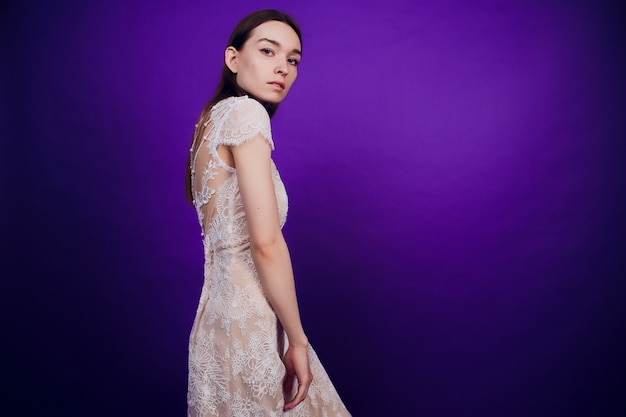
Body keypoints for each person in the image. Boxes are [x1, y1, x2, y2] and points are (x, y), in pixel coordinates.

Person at [184, 9, 351, 417]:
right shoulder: (245, 113)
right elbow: (265, 241)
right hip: (251, 321)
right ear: (234, 59)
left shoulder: (209, 120)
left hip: (214, 324)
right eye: (267, 50)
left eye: (293, 60)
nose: (283, 67)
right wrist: (298, 341)